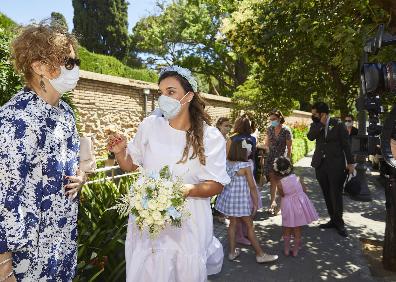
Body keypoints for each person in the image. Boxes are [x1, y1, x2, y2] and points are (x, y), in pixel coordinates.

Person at [107, 66, 230, 281]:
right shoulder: (149, 126)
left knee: (183, 269)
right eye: (161, 93)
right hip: (149, 219)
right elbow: (130, 165)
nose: (164, 98)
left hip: (188, 223)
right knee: (149, 269)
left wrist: (184, 190)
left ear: (189, 96)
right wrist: (120, 152)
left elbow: (217, 184)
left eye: (171, 92)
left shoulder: (210, 137)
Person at [0, 23, 85, 281]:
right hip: (25, 260)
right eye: (67, 62)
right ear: (39, 67)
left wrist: (80, 178)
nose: (75, 68)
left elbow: (68, 167)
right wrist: (4, 269)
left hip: (61, 247)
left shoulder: (66, 114)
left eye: (76, 61)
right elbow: (4, 196)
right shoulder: (15, 120)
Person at [215, 139, 278, 263]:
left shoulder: (227, 163)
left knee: (232, 225)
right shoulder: (245, 166)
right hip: (241, 202)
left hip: (229, 200)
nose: (249, 151)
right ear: (242, 151)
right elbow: (252, 187)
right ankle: (260, 254)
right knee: (249, 226)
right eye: (247, 149)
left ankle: (232, 253)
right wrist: (255, 203)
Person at [307, 102, 354, 237]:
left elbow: (346, 145)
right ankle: (332, 219)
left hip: (336, 165)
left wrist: (350, 163)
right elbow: (310, 137)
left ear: (323, 114)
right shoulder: (316, 124)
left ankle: (339, 223)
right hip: (320, 165)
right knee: (327, 193)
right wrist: (320, 124)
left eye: (315, 114)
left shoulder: (338, 124)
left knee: (336, 194)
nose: (313, 116)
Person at [228, 115, 262, 245]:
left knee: (236, 210)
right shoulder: (252, 139)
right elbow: (252, 154)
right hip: (248, 168)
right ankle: (245, 234)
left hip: (235, 170)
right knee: (247, 198)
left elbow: (227, 157)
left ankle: (240, 235)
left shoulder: (232, 139)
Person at [273, 157, 318, 257]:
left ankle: (286, 249)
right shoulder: (297, 177)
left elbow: (282, 195)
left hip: (288, 206)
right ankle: (296, 250)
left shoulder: (279, 183)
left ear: (278, 171)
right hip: (299, 205)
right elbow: (305, 190)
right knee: (297, 228)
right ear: (290, 167)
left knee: (287, 228)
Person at [264, 109, 293, 215]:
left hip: (282, 160)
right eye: (271, 119)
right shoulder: (269, 129)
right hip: (271, 158)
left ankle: (280, 205)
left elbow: (289, 148)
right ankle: (272, 203)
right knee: (272, 182)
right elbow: (266, 143)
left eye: (274, 119)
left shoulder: (286, 130)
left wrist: (287, 161)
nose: (272, 121)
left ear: (279, 118)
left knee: (281, 184)